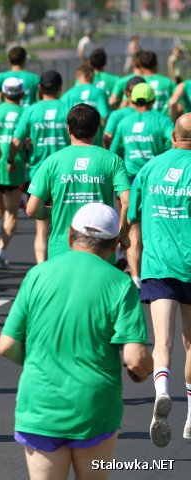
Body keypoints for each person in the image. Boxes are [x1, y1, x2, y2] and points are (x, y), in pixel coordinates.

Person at [0, 203, 152, 480]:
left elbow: (6, 344)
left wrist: (37, 361)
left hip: (40, 405)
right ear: (115, 244)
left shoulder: (37, 275)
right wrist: (143, 371)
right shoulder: (120, 283)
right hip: (94, 407)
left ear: (70, 236)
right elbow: (135, 358)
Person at [128, 112, 191, 446]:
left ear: (172, 137)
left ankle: (162, 392)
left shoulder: (151, 168)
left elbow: (133, 214)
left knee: (162, 342)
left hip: (158, 264)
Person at [26, 104, 131, 260]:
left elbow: (31, 209)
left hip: (61, 250)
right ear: (96, 130)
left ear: (68, 130)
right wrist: (123, 234)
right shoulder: (112, 160)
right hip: (101, 249)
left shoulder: (52, 161)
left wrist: (55, 210)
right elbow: (127, 201)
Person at [110, 83, 174, 287]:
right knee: (159, 225)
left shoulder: (124, 122)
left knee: (134, 229)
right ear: (153, 100)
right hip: (157, 179)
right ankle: (158, 269)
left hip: (130, 180)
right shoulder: (162, 120)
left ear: (131, 100)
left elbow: (115, 151)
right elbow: (173, 145)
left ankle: (136, 276)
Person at [9, 70, 70, 263]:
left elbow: (16, 141)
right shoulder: (69, 108)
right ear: (61, 88)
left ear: (40, 88)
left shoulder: (31, 111)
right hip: (66, 174)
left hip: (39, 175)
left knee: (41, 229)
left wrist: (11, 159)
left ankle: (42, 270)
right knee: (67, 225)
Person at [0, 78, 26, 270]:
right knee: (11, 213)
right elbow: (25, 143)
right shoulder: (25, 113)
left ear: (2, 93)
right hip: (14, 167)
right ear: (22, 94)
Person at [103, 76, 146, 148]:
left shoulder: (116, 115)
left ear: (125, 93)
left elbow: (107, 137)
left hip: (122, 157)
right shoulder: (157, 116)